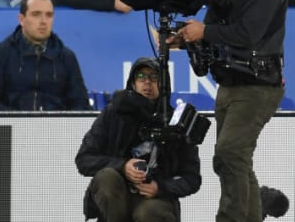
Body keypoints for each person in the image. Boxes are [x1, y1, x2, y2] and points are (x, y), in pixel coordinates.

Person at [172, 0, 286, 222]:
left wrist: (205, 31)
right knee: (230, 160)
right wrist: (186, 37)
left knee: (230, 154)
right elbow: (212, 26)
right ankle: (253, 213)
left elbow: (248, 34)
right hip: (231, 81)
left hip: (258, 85)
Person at [75, 57, 201, 221]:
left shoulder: (176, 122)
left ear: (164, 85)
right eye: (141, 77)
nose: (147, 83)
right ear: (133, 83)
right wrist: (122, 167)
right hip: (117, 196)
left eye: (154, 77)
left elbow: (192, 178)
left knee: (148, 213)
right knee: (107, 177)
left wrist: (160, 188)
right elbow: (84, 159)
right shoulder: (113, 114)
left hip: (155, 199)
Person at [0, 0, 91, 110]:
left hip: (56, 127)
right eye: (36, 14)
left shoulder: (66, 57)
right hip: (14, 125)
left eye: (49, 15)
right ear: (22, 19)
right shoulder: (1, 53)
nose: (43, 21)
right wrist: (18, 120)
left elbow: (81, 104)